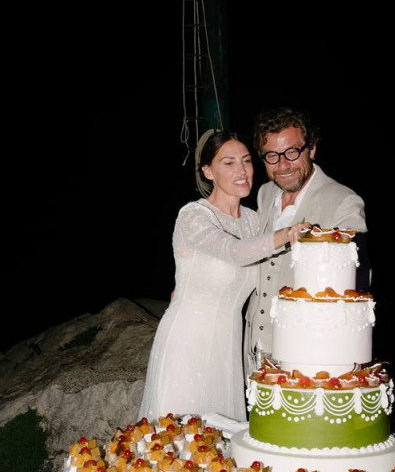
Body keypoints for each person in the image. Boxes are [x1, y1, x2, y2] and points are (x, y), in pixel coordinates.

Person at [138, 129, 308, 422]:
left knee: (220, 444)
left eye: (246, 161)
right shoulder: (194, 216)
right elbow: (235, 252)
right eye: (228, 163)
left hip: (228, 344)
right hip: (187, 340)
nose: (241, 171)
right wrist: (286, 234)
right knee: (180, 441)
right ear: (207, 171)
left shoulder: (255, 221)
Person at [244, 107, 368, 373]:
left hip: (310, 353)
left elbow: (356, 284)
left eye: (292, 152)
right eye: (272, 156)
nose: (283, 165)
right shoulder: (265, 194)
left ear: (311, 149)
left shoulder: (343, 201)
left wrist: (348, 355)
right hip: (254, 349)